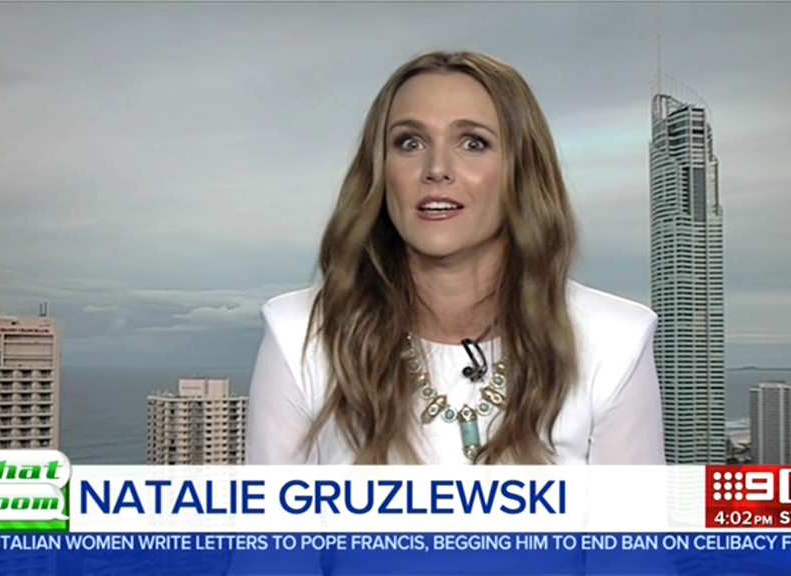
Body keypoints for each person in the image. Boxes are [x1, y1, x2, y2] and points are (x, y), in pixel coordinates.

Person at [247, 50, 664, 465]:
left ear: (521, 171)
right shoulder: (298, 335)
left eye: (473, 143)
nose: (437, 168)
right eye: (410, 143)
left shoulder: (613, 341)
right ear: (381, 171)